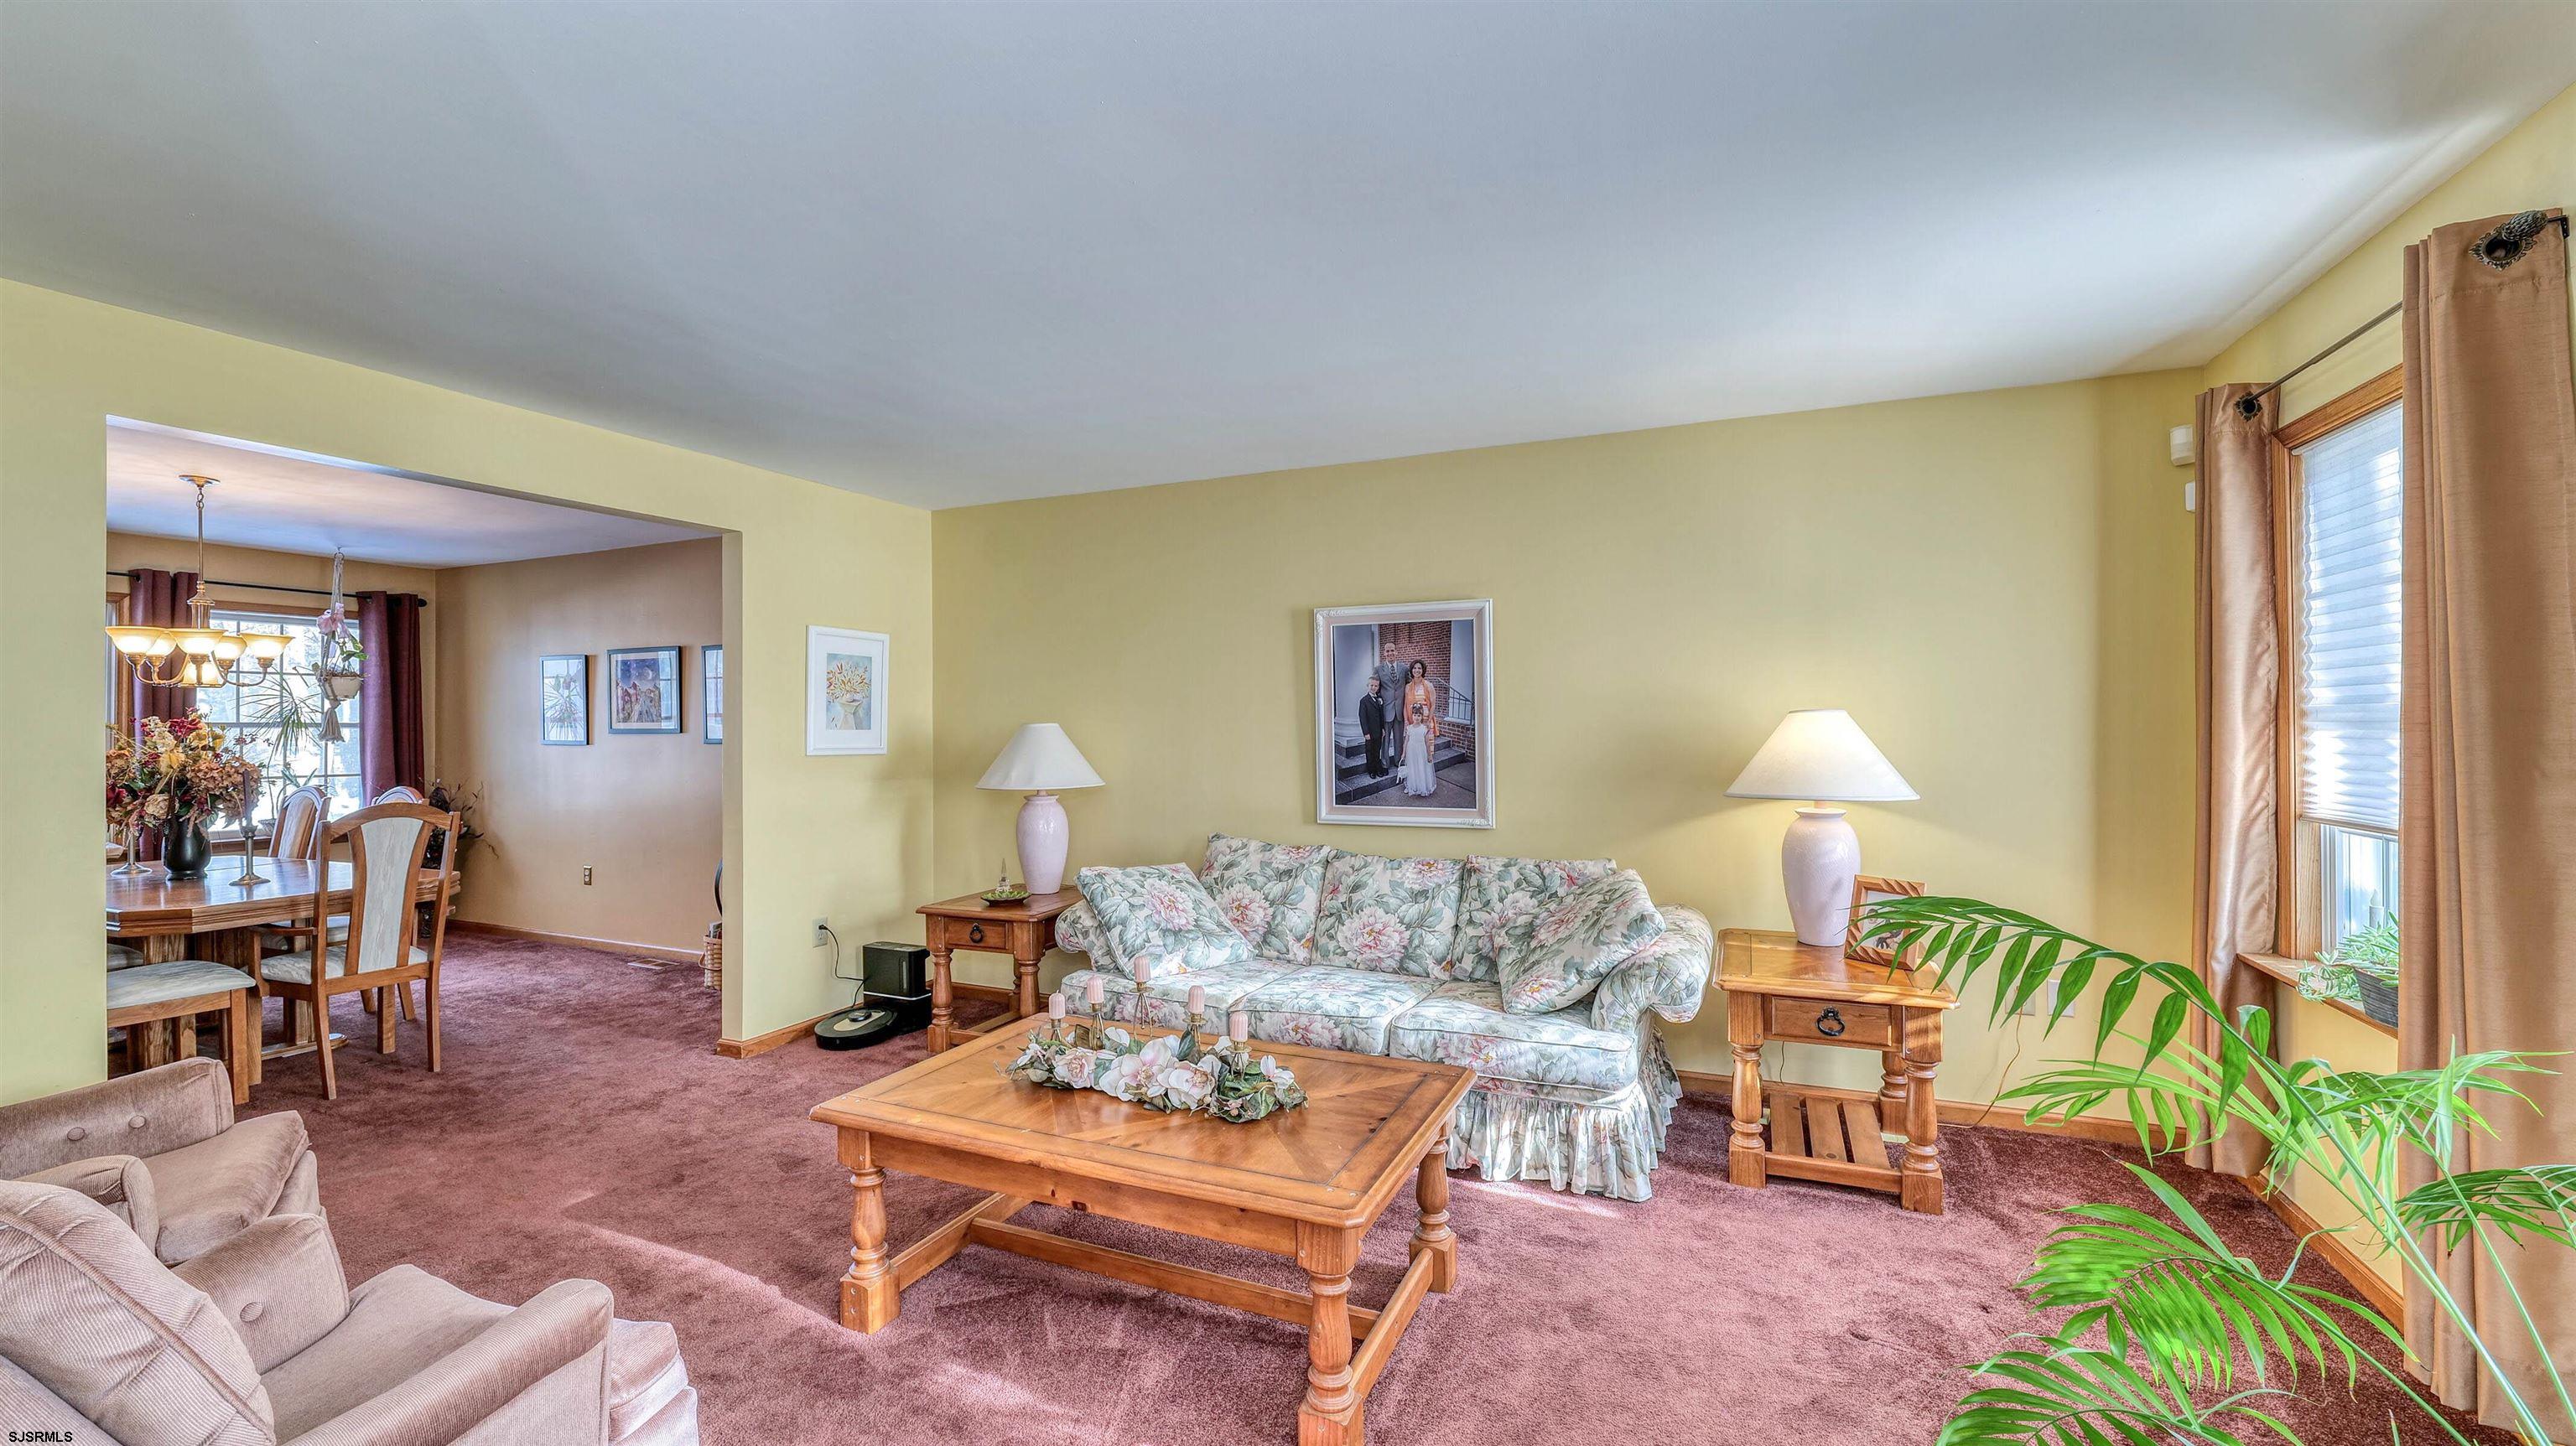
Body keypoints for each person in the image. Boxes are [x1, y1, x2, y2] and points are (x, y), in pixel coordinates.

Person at [1370, 640, 1410, 779]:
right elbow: (1374, 686)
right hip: (1385, 710)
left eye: (1392, 650)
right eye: (1387, 651)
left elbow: (1410, 686)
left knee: (1399, 739)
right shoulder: (1378, 669)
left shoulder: (1404, 669)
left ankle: (1398, 761)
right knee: (1385, 740)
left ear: (1396, 652)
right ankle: (1385, 764)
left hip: (1400, 710)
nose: (1390, 653)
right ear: (1384, 653)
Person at [1400, 661, 1438, 797]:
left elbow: (1433, 705)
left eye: (1419, 668)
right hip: (1413, 723)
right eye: (1414, 668)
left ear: (1423, 670)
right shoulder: (1408, 687)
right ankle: (1413, 783)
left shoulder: (1428, 685)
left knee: (1425, 754)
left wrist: (1428, 721)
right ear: (1411, 670)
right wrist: (1406, 721)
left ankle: (1424, 783)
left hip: (1426, 724)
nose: (1417, 670)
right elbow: (1405, 706)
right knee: (1413, 755)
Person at [1358, 675, 1389, 776]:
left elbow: (1381, 716)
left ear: (1378, 687)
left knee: (1377, 750)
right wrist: (1366, 732)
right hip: (1370, 732)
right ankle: (1371, 770)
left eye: (1376, 686)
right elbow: (1362, 718)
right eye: (1371, 685)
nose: (1373, 688)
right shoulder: (1364, 701)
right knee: (1370, 751)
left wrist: (1383, 728)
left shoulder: (1379, 699)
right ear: (1368, 685)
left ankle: (1378, 768)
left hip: (1378, 731)